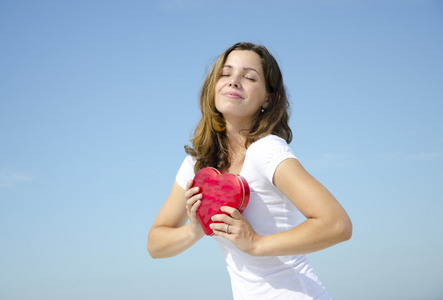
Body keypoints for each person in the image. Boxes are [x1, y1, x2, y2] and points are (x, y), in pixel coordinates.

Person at [147, 42, 352, 300]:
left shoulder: (266, 151)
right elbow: (155, 244)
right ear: (213, 86)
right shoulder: (197, 164)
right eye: (225, 74)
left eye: (249, 77)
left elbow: (337, 225)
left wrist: (256, 243)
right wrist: (196, 229)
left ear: (268, 97)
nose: (234, 82)